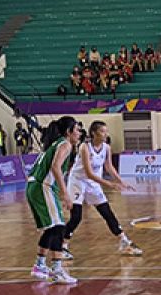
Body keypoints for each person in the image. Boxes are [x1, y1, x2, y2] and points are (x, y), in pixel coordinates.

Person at [62, 121, 141, 259]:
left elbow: (109, 167)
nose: (106, 134)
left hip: (94, 183)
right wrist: (109, 184)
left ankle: (124, 242)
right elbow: (88, 173)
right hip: (78, 182)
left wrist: (121, 181)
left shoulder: (106, 148)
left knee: (107, 213)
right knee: (76, 217)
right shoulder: (84, 147)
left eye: (106, 131)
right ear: (94, 133)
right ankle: (62, 246)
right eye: (103, 131)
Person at [26, 117, 78, 284]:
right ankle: (56, 269)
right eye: (77, 129)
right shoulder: (65, 144)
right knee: (59, 227)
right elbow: (55, 167)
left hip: (34, 186)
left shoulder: (55, 144)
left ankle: (40, 265)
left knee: (53, 227)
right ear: (69, 131)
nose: (79, 133)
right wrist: (65, 193)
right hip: (43, 186)